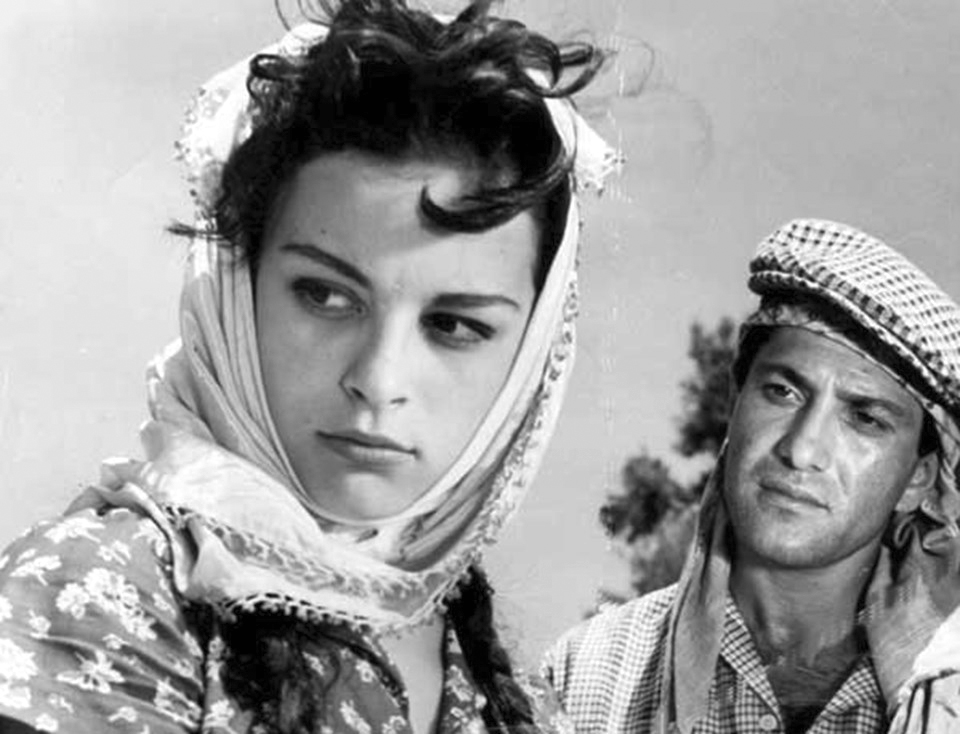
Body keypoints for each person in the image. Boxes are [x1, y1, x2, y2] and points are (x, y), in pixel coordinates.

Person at [0, 1, 615, 732]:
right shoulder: (98, 599)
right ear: (238, 290)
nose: (378, 380)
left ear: (529, 360)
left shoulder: (519, 701)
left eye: (453, 326)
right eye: (326, 296)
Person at [545, 218, 960, 733]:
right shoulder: (588, 675)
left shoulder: (947, 693)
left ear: (919, 478)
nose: (802, 450)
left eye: (864, 419)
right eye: (783, 392)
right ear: (735, 404)